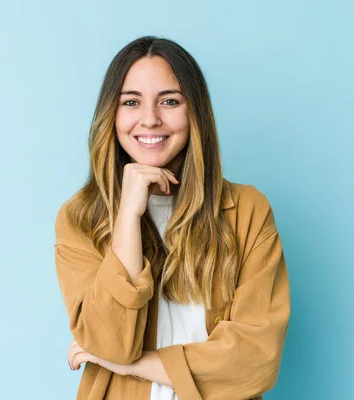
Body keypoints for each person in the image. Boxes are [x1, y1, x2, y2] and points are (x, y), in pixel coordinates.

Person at [54, 35, 291, 400]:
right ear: (111, 116)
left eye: (169, 101)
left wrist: (133, 364)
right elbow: (109, 342)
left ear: (194, 111)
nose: (150, 119)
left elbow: (254, 360)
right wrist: (128, 218)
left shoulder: (247, 211)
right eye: (131, 102)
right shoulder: (80, 219)